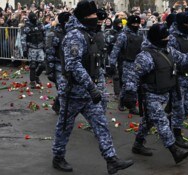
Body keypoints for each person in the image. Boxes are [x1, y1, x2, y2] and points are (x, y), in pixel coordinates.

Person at [52, 1, 133, 174]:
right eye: (92, 16)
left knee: (101, 124)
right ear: (83, 17)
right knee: (64, 128)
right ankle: (58, 157)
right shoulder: (75, 35)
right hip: (73, 92)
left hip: (89, 94)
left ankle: (111, 160)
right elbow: (73, 65)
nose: (95, 19)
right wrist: (91, 87)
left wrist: (95, 87)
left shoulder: (89, 33)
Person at [125, 23, 188, 164]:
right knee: (162, 121)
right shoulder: (146, 56)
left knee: (148, 121)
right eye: (165, 37)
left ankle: (137, 144)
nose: (168, 39)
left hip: (165, 93)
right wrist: (129, 94)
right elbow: (132, 76)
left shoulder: (168, 51)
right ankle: (174, 150)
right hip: (150, 95)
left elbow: (183, 58)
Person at [168, 12, 188, 149]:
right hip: (177, 77)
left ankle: (173, 120)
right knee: (179, 107)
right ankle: (176, 134)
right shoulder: (172, 38)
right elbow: (176, 58)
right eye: (187, 24)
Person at [109, 15, 142, 114]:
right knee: (129, 85)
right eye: (134, 24)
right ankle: (131, 106)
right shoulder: (123, 35)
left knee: (133, 85)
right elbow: (116, 49)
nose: (136, 25)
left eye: (137, 24)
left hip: (138, 63)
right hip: (127, 63)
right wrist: (112, 63)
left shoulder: (140, 35)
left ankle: (122, 101)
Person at [45, 12, 71, 115]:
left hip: (68, 64)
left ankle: (57, 105)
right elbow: (49, 53)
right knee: (63, 89)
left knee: (67, 88)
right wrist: (50, 70)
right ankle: (63, 111)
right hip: (58, 65)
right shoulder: (53, 34)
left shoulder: (71, 33)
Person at [21, 12, 45, 88]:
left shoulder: (40, 24)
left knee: (43, 64)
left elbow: (44, 35)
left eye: (35, 17)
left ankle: (37, 75)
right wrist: (24, 50)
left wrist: (45, 46)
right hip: (31, 47)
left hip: (40, 47)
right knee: (33, 65)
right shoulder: (27, 26)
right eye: (33, 18)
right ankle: (32, 81)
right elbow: (23, 39)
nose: (35, 19)